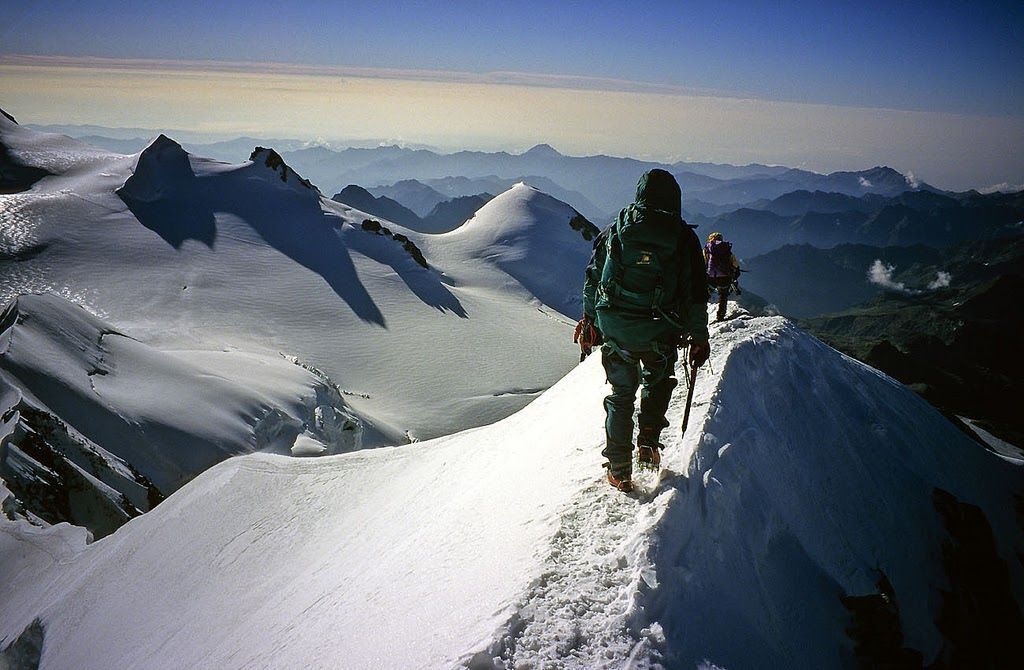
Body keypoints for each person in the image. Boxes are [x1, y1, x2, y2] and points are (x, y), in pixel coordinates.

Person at [576, 169, 710, 492]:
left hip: (616, 328)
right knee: (658, 379)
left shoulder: (618, 228)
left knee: (621, 395)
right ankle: (648, 440)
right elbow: (695, 293)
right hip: (659, 329)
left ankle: (619, 469)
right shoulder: (683, 238)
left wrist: (590, 321)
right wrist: (699, 337)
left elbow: (594, 277)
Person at [704, 232, 740, 322]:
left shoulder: (707, 249)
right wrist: (736, 272)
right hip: (725, 277)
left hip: (711, 277)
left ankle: (701, 316)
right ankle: (720, 316)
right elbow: (735, 263)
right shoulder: (726, 248)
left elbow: (702, 262)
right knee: (723, 296)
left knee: (705, 297)